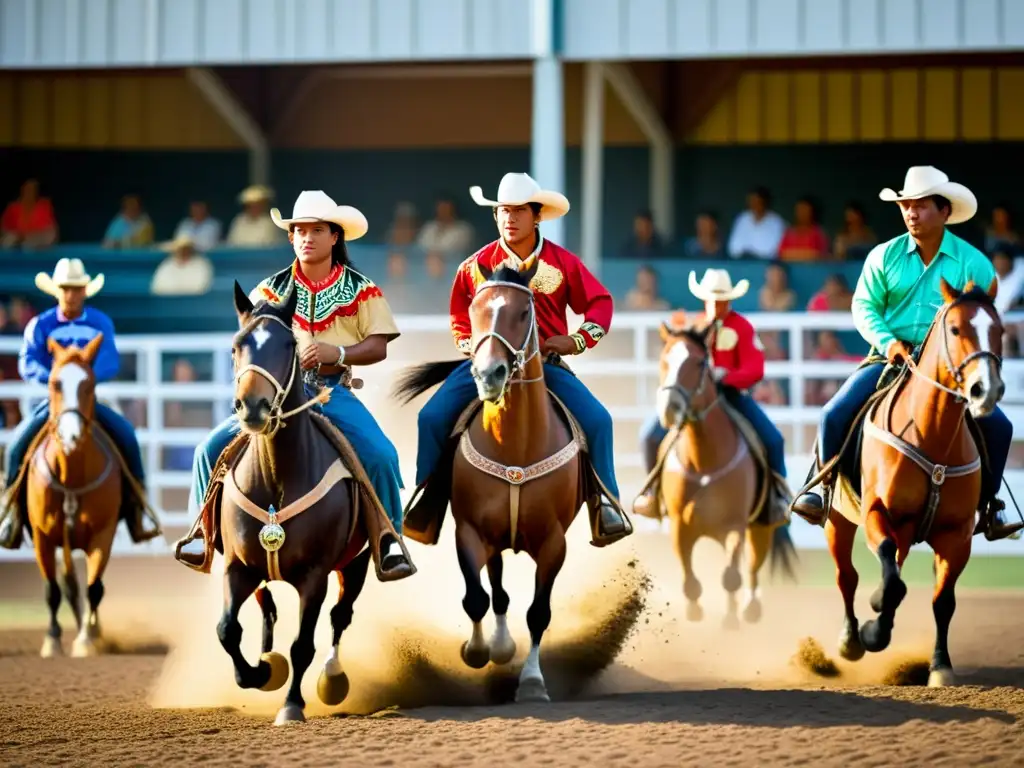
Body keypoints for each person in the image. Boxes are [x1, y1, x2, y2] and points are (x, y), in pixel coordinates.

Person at [175, 191, 412, 578]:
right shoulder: (266, 291)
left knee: (381, 455)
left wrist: (338, 353)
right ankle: (200, 531)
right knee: (207, 451)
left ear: (335, 236)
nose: (307, 237)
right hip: (277, 397)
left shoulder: (361, 288)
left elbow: (378, 345)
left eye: (317, 230)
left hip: (331, 392)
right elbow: (249, 342)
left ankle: (389, 540)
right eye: (300, 230)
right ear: (290, 237)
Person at [792, 166, 1019, 540]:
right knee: (834, 412)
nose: (911, 213)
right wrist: (888, 343)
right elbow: (864, 307)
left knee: (1000, 427)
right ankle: (820, 489)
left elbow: (985, 315)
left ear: (945, 212)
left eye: (921, 205)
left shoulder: (974, 263)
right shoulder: (884, 256)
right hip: (888, 358)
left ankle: (991, 507)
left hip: (949, 367)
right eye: (906, 205)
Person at [413, 172, 630, 545]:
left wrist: (575, 341)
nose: (509, 218)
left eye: (518, 211)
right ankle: (427, 503)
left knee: (599, 420)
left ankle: (605, 505)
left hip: (543, 368)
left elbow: (600, 304)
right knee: (430, 417)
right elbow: (458, 317)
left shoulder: (562, 263)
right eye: (502, 211)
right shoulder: (474, 267)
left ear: (537, 216)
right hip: (488, 367)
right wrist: (473, 347)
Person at [0, 258, 160, 548]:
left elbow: (110, 360)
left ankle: (139, 510)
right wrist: (58, 379)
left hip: (87, 399)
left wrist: (81, 380)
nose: (71, 294)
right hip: (54, 403)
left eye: (76, 288)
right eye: (66, 288)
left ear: (85, 291)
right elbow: (27, 362)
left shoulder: (100, 322)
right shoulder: (41, 324)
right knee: (16, 446)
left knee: (126, 434)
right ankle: (11, 512)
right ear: (57, 291)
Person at [633, 269, 789, 520]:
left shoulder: (742, 327)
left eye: (721, 299)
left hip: (731, 396)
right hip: (691, 398)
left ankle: (778, 498)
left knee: (773, 440)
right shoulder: (692, 327)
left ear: (729, 300)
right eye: (712, 299)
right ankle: (652, 493)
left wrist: (726, 376)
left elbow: (755, 368)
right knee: (649, 435)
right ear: (705, 299)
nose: (716, 304)